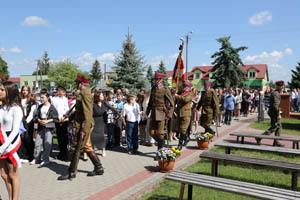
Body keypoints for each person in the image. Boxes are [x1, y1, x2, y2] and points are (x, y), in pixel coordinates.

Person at [58, 73, 104, 180]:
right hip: (82, 123)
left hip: (84, 125)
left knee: (76, 147)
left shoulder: (85, 93)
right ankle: (99, 168)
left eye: (77, 83)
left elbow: (88, 113)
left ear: (81, 83)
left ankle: (72, 172)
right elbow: (80, 111)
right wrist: (69, 117)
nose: (76, 85)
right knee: (87, 147)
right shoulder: (82, 93)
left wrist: (84, 129)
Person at [0, 81, 23, 200]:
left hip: (11, 142)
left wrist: (3, 147)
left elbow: (15, 130)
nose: (0, 92)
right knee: (3, 175)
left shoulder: (16, 109)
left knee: (12, 174)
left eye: (2, 90)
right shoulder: (1, 107)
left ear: (9, 91)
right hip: (0, 139)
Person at [146, 73, 174, 151]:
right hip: (153, 113)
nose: (155, 80)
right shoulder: (153, 89)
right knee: (151, 132)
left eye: (157, 79)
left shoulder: (165, 90)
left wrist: (169, 115)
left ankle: (160, 151)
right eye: (155, 79)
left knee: (160, 133)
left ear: (161, 80)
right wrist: (147, 112)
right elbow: (150, 102)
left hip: (162, 113)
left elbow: (172, 104)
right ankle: (162, 143)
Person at [31, 92, 58, 166]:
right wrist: (39, 120)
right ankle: (37, 158)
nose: (41, 99)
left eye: (43, 97)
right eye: (41, 97)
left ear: (47, 98)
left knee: (47, 143)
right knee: (37, 142)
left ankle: (46, 159)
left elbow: (55, 118)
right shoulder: (40, 106)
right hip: (40, 126)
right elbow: (36, 116)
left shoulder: (52, 107)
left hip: (49, 127)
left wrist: (47, 121)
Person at [262, 80, 285, 146]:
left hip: (273, 112)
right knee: (275, 127)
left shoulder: (276, 92)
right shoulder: (276, 93)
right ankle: (260, 137)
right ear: (278, 86)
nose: (282, 87)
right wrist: (278, 114)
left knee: (278, 126)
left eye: (283, 86)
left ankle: (276, 142)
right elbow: (275, 105)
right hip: (274, 113)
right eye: (281, 86)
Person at [19, 85, 37, 163]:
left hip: (28, 122)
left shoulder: (32, 101)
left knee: (28, 138)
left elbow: (32, 113)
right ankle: (22, 155)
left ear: (29, 91)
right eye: (23, 90)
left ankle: (30, 156)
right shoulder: (18, 100)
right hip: (20, 120)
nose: (24, 91)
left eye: (26, 90)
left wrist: (26, 122)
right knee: (21, 139)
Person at [51, 86, 70, 161]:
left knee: (64, 137)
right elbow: (53, 109)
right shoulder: (54, 99)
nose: (62, 93)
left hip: (64, 119)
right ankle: (61, 152)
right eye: (61, 91)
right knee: (59, 136)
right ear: (58, 91)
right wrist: (58, 118)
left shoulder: (65, 99)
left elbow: (67, 109)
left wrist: (64, 117)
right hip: (57, 119)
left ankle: (64, 153)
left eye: (63, 92)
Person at [174, 81, 193, 150]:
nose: (183, 88)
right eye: (183, 86)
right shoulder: (181, 93)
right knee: (179, 129)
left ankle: (180, 144)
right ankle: (186, 138)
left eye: (185, 86)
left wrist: (177, 96)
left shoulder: (190, 94)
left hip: (186, 113)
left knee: (183, 129)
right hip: (179, 113)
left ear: (188, 87)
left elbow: (185, 100)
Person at [91, 89, 108, 157]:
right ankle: (92, 150)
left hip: (101, 121)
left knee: (101, 136)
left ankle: (103, 150)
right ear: (98, 96)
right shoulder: (93, 104)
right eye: (101, 95)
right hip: (94, 121)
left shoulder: (104, 103)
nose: (103, 96)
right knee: (92, 136)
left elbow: (111, 108)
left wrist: (118, 113)